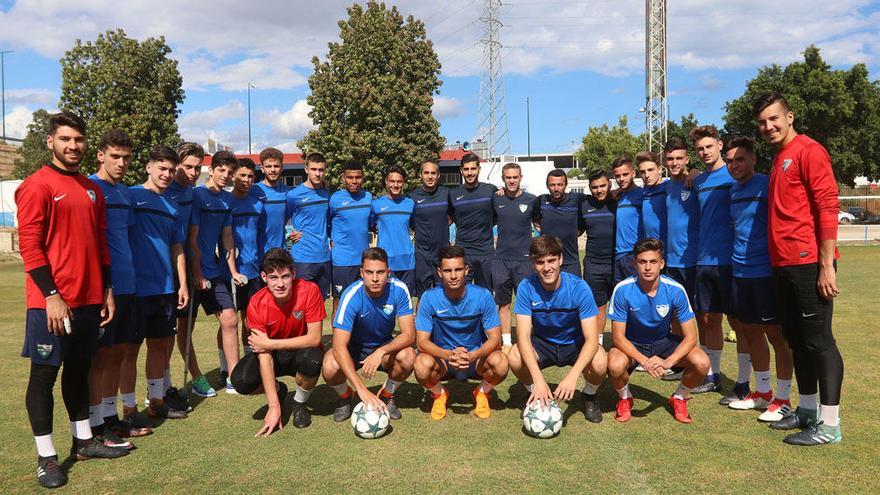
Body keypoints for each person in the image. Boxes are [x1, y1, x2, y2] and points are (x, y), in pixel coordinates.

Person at [17, 112, 126, 488]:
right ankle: (46, 457)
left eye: (78, 139)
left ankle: (83, 441)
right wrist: (51, 296)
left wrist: (106, 290)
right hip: (50, 303)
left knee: (79, 372)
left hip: (88, 301)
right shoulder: (36, 185)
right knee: (44, 376)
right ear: (50, 141)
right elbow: (29, 246)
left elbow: (100, 245)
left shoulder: (91, 188)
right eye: (65, 139)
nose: (73, 146)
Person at [754, 91, 844, 445]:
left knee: (820, 342)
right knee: (796, 340)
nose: (769, 126)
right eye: (762, 122)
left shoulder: (809, 150)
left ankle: (830, 424)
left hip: (809, 264)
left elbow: (827, 207)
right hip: (783, 265)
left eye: (774, 119)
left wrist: (826, 265)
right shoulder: (780, 158)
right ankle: (806, 411)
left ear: (789, 117)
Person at [725, 136, 794, 422]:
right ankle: (763, 393)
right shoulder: (732, 191)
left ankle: (784, 398)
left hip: (766, 272)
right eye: (729, 160)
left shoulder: (767, 184)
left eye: (740, 159)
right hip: (739, 272)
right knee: (750, 331)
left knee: (777, 335)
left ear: (753, 159)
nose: (734, 165)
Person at [606, 238, 709, 423]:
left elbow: (691, 337)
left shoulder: (675, 290)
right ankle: (624, 398)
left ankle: (679, 397)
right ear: (634, 264)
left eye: (653, 262)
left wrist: (668, 362)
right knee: (614, 365)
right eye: (642, 262)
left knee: (701, 362)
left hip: (663, 342)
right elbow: (618, 338)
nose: (647, 267)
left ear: (661, 264)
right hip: (632, 342)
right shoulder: (622, 290)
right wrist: (645, 361)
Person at [507, 235, 606, 423]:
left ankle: (589, 396)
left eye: (552, 260)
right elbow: (523, 337)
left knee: (600, 359)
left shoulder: (579, 288)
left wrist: (573, 376)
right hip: (543, 344)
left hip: (574, 344)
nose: (547, 268)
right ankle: (535, 396)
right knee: (514, 355)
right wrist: (538, 380)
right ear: (534, 264)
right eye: (540, 262)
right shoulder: (526, 288)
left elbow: (592, 339)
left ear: (560, 259)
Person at [231, 248, 324, 434]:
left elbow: (314, 338)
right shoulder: (256, 303)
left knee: (313, 359)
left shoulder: (310, 291)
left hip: (301, 351)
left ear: (293, 274)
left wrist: (271, 344)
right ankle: (278, 389)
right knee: (240, 381)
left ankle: (299, 403)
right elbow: (264, 354)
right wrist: (273, 406)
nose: (280, 284)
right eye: (273, 277)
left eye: (285, 276)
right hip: (271, 355)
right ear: (264, 277)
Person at [689, 126, 752, 400]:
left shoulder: (733, 173)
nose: (704, 152)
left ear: (720, 145)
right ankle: (712, 375)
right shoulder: (699, 180)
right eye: (700, 149)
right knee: (708, 319)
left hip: (729, 260)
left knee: (739, 323)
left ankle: (742, 382)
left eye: (709, 147)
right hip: (703, 260)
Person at [129, 146, 191, 422]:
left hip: (165, 288)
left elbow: (177, 248)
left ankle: (156, 400)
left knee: (160, 346)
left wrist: (182, 285)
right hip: (134, 289)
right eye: (161, 168)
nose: (166, 175)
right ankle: (129, 409)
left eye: (170, 170)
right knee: (128, 350)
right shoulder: (131, 196)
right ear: (149, 167)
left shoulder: (172, 207)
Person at [414, 245, 509, 420]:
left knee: (501, 362)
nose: (453, 275)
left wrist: (474, 355)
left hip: (475, 359)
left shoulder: (483, 296)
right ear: (439, 272)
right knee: (421, 365)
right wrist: (448, 355)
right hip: (443, 360)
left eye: (458, 269)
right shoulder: (429, 298)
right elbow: (421, 342)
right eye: (447, 270)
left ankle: (481, 392)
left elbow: (495, 339)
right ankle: (439, 394)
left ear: (466, 270)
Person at [323, 247, 416, 421]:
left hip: (384, 347)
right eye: (369, 272)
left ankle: (387, 395)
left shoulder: (399, 289)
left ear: (388, 272)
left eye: (380, 272)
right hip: (354, 349)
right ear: (361, 272)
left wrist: (380, 352)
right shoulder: (351, 295)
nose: (374, 278)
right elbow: (339, 345)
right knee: (329, 366)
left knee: (409, 356)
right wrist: (362, 389)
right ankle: (345, 396)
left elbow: (409, 335)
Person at [86, 129, 137, 450]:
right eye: (115, 156)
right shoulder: (90, 189)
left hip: (129, 284)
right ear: (101, 155)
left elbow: (126, 240)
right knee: (100, 358)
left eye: (126, 157)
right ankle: (93, 425)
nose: (121, 163)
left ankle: (110, 417)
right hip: (103, 288)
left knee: (118, 353)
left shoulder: (125, 194)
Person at [189, 150, 244, 392]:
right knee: (185, 330)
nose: (226, 176)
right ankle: (197, 377)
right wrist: (196, 273)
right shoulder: (196, 196)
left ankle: (234, 377)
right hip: (190, 272)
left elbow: (227, 237)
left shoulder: (228, 200)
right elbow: (192, 238)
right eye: (221, 170)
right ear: (210, 170)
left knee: (230, 319)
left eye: (230, 172)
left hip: (214, 271)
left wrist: (232, 270)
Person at [168, 143, 215, 399]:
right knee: (161, 334)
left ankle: (196, 376)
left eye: (198, 168)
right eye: (188, 167)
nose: (193, 173)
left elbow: (193, 241)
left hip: (184, 268)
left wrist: (195, 273)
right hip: (159, 270)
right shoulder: (163, 188)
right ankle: (159, 388)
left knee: (186, 328)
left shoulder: (193, 194)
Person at [491, 163, 539, 352]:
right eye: (508, 177)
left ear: (521, 178)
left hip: (525, 260)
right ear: (503, 179)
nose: (511, 181)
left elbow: (538, 223)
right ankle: (507, 342)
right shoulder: (496, 198)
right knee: (503, 302)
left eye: (515, 177)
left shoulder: (532, 200)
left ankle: (525, 339)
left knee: (526, 302)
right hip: (501, 259)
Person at [227, 158, 266, 353]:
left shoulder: (258, 204)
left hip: (253, 270)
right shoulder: (226, 202)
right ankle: (227, 366)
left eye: (250, 176)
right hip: (230, 271)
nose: (246, 180)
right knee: (229, 321)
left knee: (250, 318)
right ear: (233, 175)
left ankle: (249, 358)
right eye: (242, 175)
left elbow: (259, 235)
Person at [329, 161, 372, 316]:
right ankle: (337, 340)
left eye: (358, 177)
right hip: (342, 261)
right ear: (343, 178)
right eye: (350, 177)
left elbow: (371, 223)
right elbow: (326, 222)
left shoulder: (368, 198)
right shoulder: (334, 199)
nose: (354, 181)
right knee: (339, 302)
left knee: (363, 301)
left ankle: (359, 339)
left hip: (363, 260)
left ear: (363, 178)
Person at [286, 152, 332, 299]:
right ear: (306, 169)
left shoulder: (326, 194)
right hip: (303, 258)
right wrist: (290, 234)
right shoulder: (294, 195)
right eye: (313, 169)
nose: (317, 173)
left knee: (319, 304)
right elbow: (281, 221)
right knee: (300, 304)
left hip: (325, 257)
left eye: (321, 170)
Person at [449, 153, 497, 288]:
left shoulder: (490, 190)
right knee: (461, 292)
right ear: (461, 170)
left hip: (485, 252)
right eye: (466, 169)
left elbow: (497, 216)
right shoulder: (453, 194)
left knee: (486, 294)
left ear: (479, 169)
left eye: (473, 169)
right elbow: (450, 218)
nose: (470, 173)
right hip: (463, 252)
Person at [663, 138, 699, 308]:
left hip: (692, 260)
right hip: (670, 262)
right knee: (675, 312)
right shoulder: (665, 187)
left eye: (679, 158)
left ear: (687, 159)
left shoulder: (696, 181)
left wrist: (695, 172)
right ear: (665, 161)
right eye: (670, 159)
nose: (675, 163)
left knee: (702, 315)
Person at [580, 170, 617, 337]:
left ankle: (622, 344)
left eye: (603, 185)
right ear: (589, 188)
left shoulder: (619, 200)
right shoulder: (584, 204)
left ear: (609, 184)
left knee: (620, 305)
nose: (599, 190)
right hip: (593, 264)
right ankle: (597, 344)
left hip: (617, 262)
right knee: (598, 306)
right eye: (595, 187)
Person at [408, 159, 451, 297]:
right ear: (421, 175)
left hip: (443, 255)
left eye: (433, 173)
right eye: (426, 173)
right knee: (423, 296)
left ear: (438, 175)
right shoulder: (412, 197)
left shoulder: (446, 193)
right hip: (422, 255)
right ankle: (421, 319)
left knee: (445, 295)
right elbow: (409, 222)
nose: (430, 176)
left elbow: (454, 215)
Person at [371, 165, 416, 293]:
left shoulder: (410, 204)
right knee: (386, 303)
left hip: (407, 261)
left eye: (399, 181)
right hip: (386, 261)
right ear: (386, 181)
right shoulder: (376, 205)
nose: (395, 185)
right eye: (392, 181)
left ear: (403, 182)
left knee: (406, 302)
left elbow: (415, 226)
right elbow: (371, 226)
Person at [536, 169, 583, 276]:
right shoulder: (540, 201)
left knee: (573, 292)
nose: (556, 188)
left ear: (566, 185)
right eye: (552, 185)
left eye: (560, 185)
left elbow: (582, 224)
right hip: (548, 262)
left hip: (571, 262)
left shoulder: (577, 200)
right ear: (547, 186)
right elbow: (536, 222)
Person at [612, 155, 643, 287]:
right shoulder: (618, 196)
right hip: (618, 255)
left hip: (634, 254)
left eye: (625, 174)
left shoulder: (643, 194)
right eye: (618, 176)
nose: (622, 179)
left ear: (633, 173)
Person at [252, 147, 290, 255]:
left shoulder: (287, 192)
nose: (273, 170)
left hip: (281, 252)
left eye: (276, 166)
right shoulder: (253, 191)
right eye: (269, 166)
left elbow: (288, 218)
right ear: (262, 168)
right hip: (259, 253)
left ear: (282, 168)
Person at [637, 151, 667, 246]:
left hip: (669, 251)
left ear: (659, 169)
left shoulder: (670, 188)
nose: (646, 175)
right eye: (642, 172)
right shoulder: (642, 192)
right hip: (649, 252)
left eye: (650, 170)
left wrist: (693, 172)